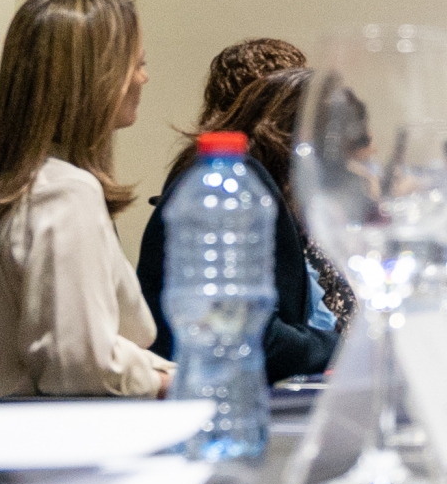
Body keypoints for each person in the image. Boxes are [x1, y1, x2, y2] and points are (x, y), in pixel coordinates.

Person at [0, 0, 173, 398]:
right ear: (98, 78)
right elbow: (80, 367)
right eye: (138, 64)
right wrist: (173, 383)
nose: (143, 78)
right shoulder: (67, 194)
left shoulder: (31, 183)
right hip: (69, 431)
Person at [136, 65, 349, 382]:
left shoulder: (236, 181)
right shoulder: (233, 187)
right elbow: (250, 336)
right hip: (213, 392)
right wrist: (347, 348)